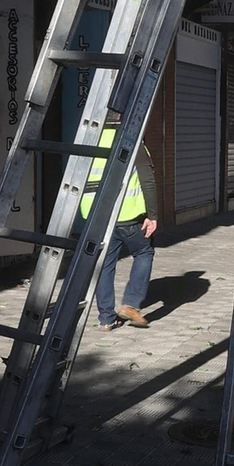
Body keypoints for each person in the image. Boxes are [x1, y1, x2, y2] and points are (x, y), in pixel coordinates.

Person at [83, 127, 160, 329]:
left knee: (105, 265)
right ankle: (131, 305)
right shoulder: (131, 139)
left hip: (97, 215)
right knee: (144, 251)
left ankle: (106, 319)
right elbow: (147, 181)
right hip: (128, 216)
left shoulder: (90, 137)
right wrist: (153, 216)